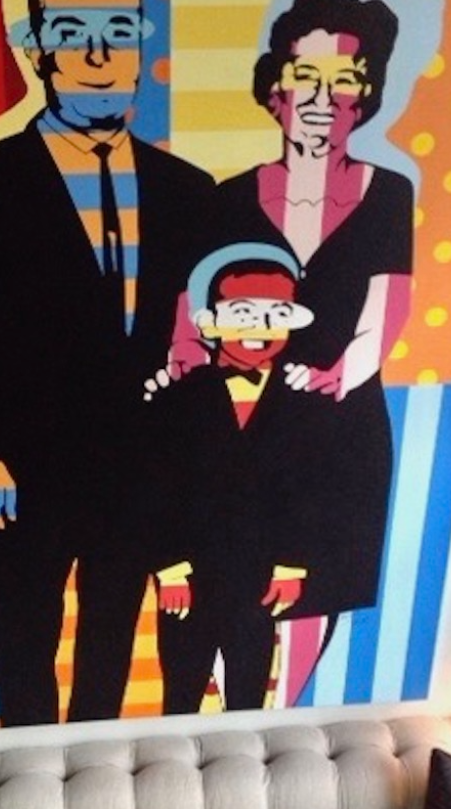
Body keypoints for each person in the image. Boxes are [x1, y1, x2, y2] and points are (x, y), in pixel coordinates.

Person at [0, 0, 214, 726]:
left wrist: (188, 469)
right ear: (34, 45)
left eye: (117, 31)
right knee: (21, 642)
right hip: (20, 468)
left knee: (110, 642)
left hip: (140, 469)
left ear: (141, 42)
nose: (97, 54)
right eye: (72, 31)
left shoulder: (189, 190)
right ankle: (28, 766)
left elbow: (198, 334)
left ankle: (94, 767)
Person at [206, 0, 413, 703]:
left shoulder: (389, 194)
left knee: (314, 591)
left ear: (365, 96)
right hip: (245, 424)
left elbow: (390, 303)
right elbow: (204, 305)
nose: (323, 98)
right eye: (306, 76)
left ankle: (281, 720)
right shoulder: (228, 196)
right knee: (233, 584)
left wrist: (341, 374)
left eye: (345, 80)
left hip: (341, 427)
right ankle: (225, 725)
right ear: (274, 89)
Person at [144, 244, 321, 714]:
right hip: (191, 575)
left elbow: (307, 491)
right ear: (212, 323)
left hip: (259, 575)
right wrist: (170, 568)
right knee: (181, 692)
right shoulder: (178, 400)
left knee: (248, 690)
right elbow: (156, 489)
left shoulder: (300, 402)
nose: (257, 331)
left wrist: (291, 565)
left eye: (273, 317)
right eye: (242, 315)